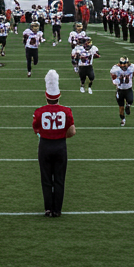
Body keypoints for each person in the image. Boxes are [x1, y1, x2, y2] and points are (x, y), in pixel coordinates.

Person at [33, 70, 76, 217]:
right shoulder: (66, 111)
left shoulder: (39, 112)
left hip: (45, 146)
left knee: (46, 179)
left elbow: (36, 130)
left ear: (46, 96)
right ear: (59, 96)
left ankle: (48, 209)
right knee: (59, 179)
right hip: (60, 146)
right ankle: (57, 210)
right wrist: (60, 135)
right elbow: (72, 131)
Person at [110, 56, 134, 126]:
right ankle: (123, 119)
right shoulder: (115, 69)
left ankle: (128, 106)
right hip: (120, 90)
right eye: (122, 64)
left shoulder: (132, 67)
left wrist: (132, 75)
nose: (123, 65)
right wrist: (118, 80)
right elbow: (114, 81)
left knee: (130, 100)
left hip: (128, 88)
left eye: (125, 64)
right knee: (121, 107)